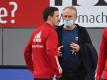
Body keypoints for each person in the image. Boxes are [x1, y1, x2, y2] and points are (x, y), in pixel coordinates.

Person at [56, 6, 98, 80]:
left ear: (75, 17)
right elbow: (48, 50)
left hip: (79, 74)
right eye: (65, 16)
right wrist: (55, 51)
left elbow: (91, 50)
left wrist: (80, 48)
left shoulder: (82, 31)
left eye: (70, 16)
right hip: (61, 74)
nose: (67, 19)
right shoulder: (57, 31)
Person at [24, 7, 62, 80]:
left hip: (37, 75)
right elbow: (51, 52)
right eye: (57, 16)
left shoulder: (36, 32)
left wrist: (32, 69)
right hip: (48, 76)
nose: (59, 19)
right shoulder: (51, 32)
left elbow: (26, 52)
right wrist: (59, 71)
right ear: (50, 17)